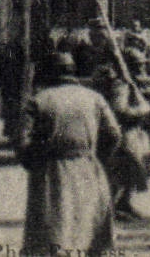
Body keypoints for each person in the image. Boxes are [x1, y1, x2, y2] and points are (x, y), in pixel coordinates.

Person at [18, 51, 122, 257]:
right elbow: (114, 134)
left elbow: (22, 142)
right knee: (90, 227)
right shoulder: (94, 98)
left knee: (54, 230)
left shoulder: (39, 100)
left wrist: (35, 163)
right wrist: (96, 157)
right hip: (88, 167)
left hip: (51, 171)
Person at [92, 64, 150, 221]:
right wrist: (143, 108)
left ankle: (124, 203)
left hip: (129, 135)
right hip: (123, 134)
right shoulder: (118, 87)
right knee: (121, 172)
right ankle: (111, 207)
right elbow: (121, 111)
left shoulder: (122, 85)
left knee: (132, 172)